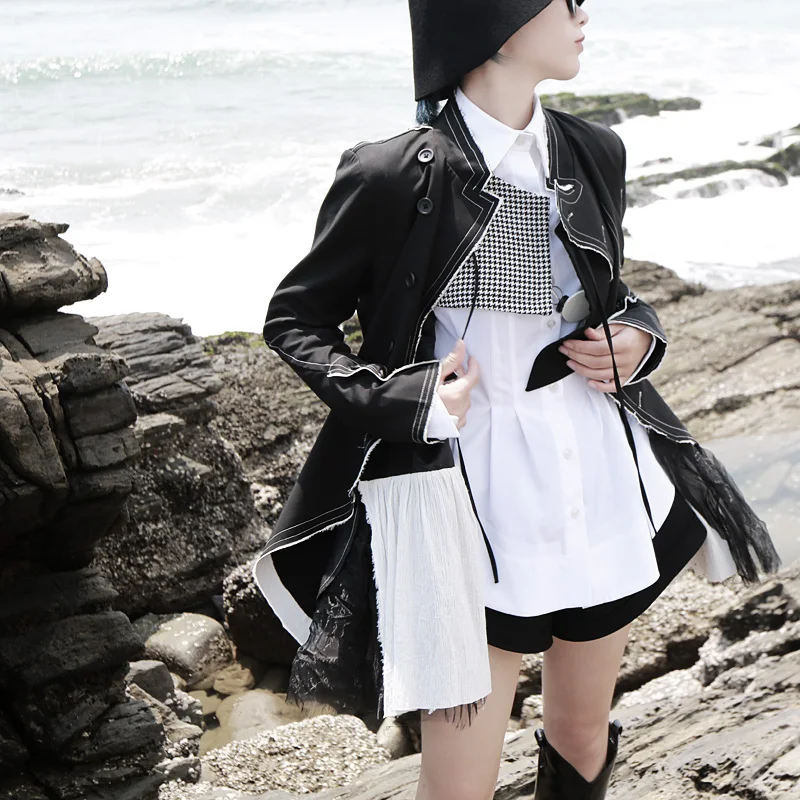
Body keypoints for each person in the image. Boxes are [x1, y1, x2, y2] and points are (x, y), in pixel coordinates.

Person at [252, 2, 781, 798]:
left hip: (599, 469)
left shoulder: (593, 148)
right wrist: (406, 399)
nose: (582, 13)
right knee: (459, 781)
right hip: (463, 494)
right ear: (493, 24)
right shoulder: (394, 173)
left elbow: (608, 291)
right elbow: (295, 319)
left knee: (582, 732)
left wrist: (637, 337)